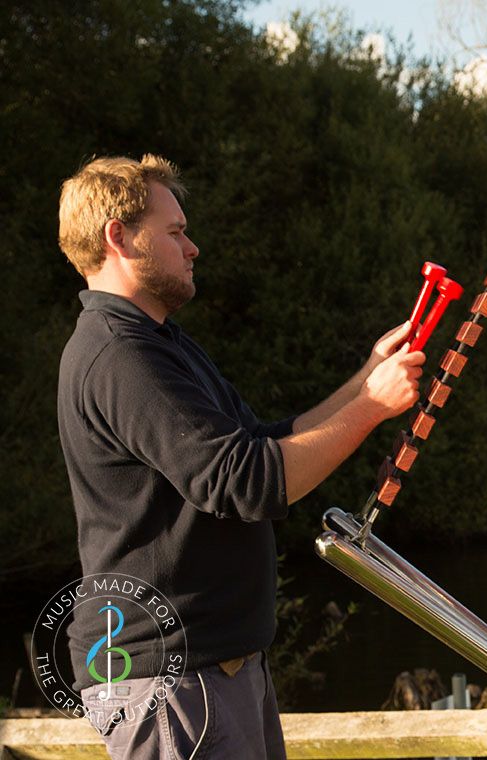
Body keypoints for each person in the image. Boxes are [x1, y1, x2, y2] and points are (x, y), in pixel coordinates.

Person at [56, 154, 425, 759]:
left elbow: (259, 444)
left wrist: (364, 384)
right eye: (175, 231)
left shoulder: (157, 342)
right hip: (172, 677)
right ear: (117, 236)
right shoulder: (120, 355)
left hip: (208, 670)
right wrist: (370, 411)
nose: (192, 247)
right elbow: (246, 484)